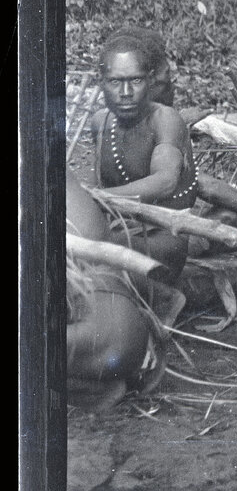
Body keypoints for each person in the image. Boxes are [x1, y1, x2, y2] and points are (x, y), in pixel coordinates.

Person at [111, 26, 237, 241]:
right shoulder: (155, 124)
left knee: (224, 217)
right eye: (167, 78)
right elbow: (204, 186)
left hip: (126, 224)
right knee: (226, 219)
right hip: (142, 234)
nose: (173, 85)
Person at [90, 30, 199, 283]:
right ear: (102, 82)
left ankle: (164, 294)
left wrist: (96, 198)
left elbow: (165, 181)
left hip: (163, 240)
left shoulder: (164, 119)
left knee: (93, 243)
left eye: (136, 81)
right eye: (115, 82)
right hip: (118, 230)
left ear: (150, 81)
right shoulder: (100, 122)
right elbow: (97, 183)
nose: (126, 92)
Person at [66, 169, 170, 412]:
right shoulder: (55, 175)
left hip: (102, 338)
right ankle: (92, 386)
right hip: (124, 335)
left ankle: (89, 388)